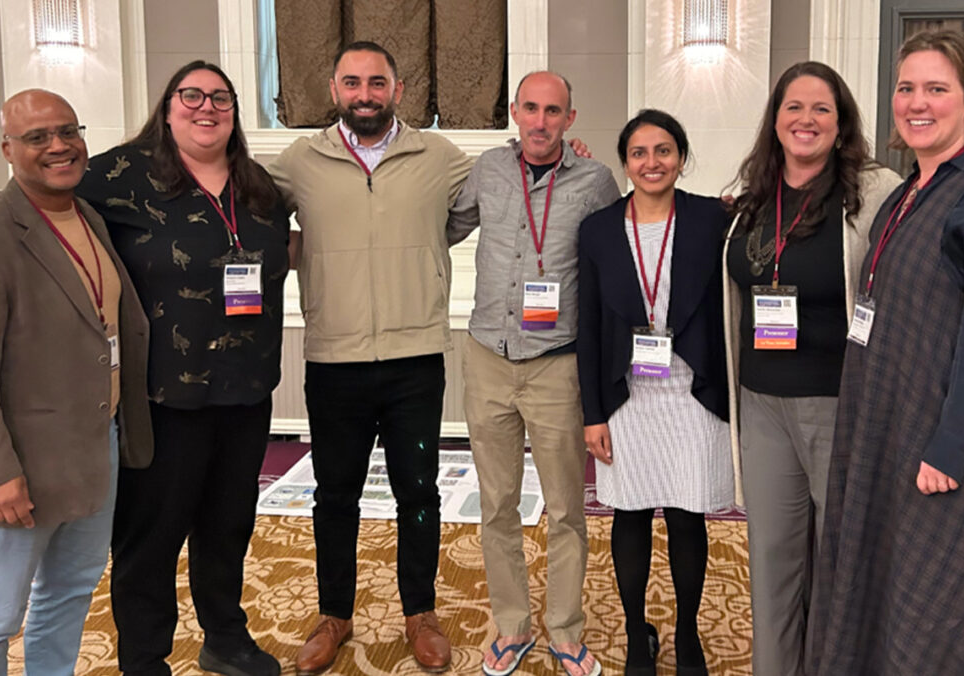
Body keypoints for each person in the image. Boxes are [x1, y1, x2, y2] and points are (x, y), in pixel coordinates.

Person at [807, 31, 964, 675]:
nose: (916, 103)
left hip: (947, 445)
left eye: (936, 89)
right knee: (885, 587)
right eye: (906, 88)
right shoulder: (906, 193)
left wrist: (950, 446)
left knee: (939, 606)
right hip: (889, 429)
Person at [76, 61, 289, 676]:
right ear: (167, 108)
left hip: (246, 391)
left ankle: (225, 637)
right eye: (190, 95)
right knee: (151, 536)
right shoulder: (118, 176)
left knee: (227, 526)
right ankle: (144, 659)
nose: (206, 107)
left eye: (220, 97)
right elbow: (48, 219)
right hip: (163, 398)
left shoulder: (259, 186)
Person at [268, 41, 473, 674]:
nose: (365, 94)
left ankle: (420, 613)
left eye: (376, 82)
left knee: (419, 492)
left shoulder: (440, 157)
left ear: (398, 90)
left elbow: (487, 199)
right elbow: (248, 216)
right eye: (352, 83)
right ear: (334, 89)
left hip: (416, 359)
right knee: (335, 495)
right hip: (334, 359)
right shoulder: (299, 161)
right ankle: (333, 614)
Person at [722, 62, 900, 675]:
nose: (806, 119)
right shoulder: (752, 197)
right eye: (793, 107)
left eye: (821, 108)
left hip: (838, 403)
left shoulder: (874, 193)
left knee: (840, 562)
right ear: (775, 120)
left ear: (841, 122)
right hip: (761, 404)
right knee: (772, 560)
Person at [446, 70, 619, 676]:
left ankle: (566, 631)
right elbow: (444, 227)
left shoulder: (596, 180)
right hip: (488, 357)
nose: (540, 122)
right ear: (515, 112)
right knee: (497, 504)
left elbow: (617, 257)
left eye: (553, 111)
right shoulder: (488, 169)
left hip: (556, 365)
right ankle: (512, 625)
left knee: (566, 508)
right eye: (531, 109)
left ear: (570, 118)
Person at [0, 89, 154, 675]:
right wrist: (1, 472)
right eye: (37, 137)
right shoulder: (1, 229)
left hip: (94, 444)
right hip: (23, 463)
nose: (59, 146)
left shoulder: (87, 216)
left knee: (71, 589)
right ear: (7, 149)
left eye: (68, 131)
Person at [578, 109, 733, 676]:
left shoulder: (713, 219)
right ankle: (634, 633)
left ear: (681, 158)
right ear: (625, 162)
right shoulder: (598, 229)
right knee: (631, 515)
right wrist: (592, 413)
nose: (652, 163)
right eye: (639, 153)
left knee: (689, 517)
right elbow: (590, 327)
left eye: (663, 150)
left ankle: (688, 634)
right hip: (627, 397)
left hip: (693, 394)